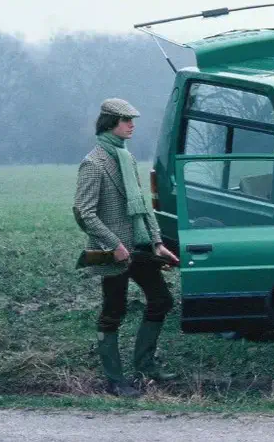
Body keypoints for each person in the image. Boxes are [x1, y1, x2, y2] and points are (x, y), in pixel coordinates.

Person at [73, 98, 180, 396]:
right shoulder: (93, 164)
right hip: (113, 252)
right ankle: (115, 381)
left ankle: (145, 365)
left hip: (141, 246)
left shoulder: (126, 157)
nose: (132, 124)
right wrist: (114, 244)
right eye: (126, 120)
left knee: (161, 300)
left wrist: (157, 242)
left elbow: (143, 207)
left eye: (132, 119)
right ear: (110, 122)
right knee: (113, 312)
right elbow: (84, 212)